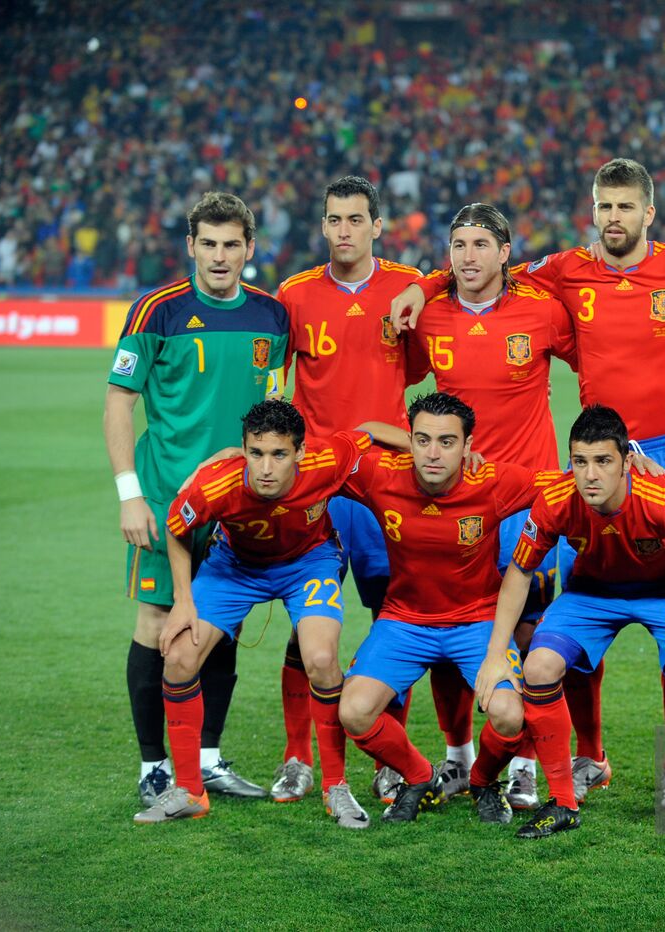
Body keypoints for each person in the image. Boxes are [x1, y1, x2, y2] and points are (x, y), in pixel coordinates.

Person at [395, 158, 665, 808]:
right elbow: (484, 269)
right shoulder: (566, 271)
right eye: (605, 207)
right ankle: (590, 755)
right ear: (594, 211)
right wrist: (427, 282)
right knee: (581, 598)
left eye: (627, 207)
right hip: (597, 463)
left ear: (649, 213)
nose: (615, 218)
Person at [477, 404, 665, 841]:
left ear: (626, 462)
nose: (590, 475)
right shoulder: (557, 499)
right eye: (580, 462)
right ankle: (562, 801)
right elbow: (520, 572)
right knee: (538, 668)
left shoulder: (662, 500)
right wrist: (495, 654)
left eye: (603, 461)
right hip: (591, 594)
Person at [104, 191, 287, 807]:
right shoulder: (156, 311)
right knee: (157, 622)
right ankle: (154, 767)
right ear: (190, 246)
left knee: (224, 624)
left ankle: (206, 759)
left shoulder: (271, 316)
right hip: (164, 497)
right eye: (207, 243)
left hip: (238, 503)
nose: (219, 255)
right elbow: (119, 403)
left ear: (249, 249)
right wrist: (131, 494)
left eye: (231, 244)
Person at [403, 202, 579, 810]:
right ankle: (458, 758)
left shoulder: (543, 312)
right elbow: (387, 382)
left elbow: (602, 367)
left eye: (481, 244)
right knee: (452, 630)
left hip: (529, 501)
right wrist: (420, 286)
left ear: (505, 252)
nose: (469, 256)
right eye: (459, 245)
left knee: (530, 632)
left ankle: (525, 761)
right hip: (456, 506)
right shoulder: (429, 317)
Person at [134, 399, 382, 825]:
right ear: (243, 448)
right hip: (234, 569)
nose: (265, 467)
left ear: (300, 452)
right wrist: (182, 602)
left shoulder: (329, 459)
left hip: (308, 563)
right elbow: (178, 528)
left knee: (321, 660)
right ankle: (191, 791)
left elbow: (372, 428)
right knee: (178, 656)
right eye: (256, 453)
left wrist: (420, 449)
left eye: (279, 454)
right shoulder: (217, 483)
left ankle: (336, 788)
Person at [270, 175, 427, 807]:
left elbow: (426, 357)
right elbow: (274, 383)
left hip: (387, 483)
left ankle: (391, 757)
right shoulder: (295, 295)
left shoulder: (403, 286)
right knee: (308, 629)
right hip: (316, 486)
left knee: (396, 614)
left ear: (375, 225)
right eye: (334, 219)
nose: (343, 230)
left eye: (355, 220)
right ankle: (296, 758)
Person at [336, 392, 560, 824]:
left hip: (476, 622)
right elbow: (348, 442)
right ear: (410, 439)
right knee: (354, 711)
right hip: (404, 620)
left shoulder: (494, 481)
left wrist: (633, 466)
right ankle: (420, 777)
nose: (433, 454)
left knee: (511, 716)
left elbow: (568, 485)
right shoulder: (382, 475)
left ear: (468, 445)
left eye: (446, 442)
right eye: (423, 440)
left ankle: (480, 780)